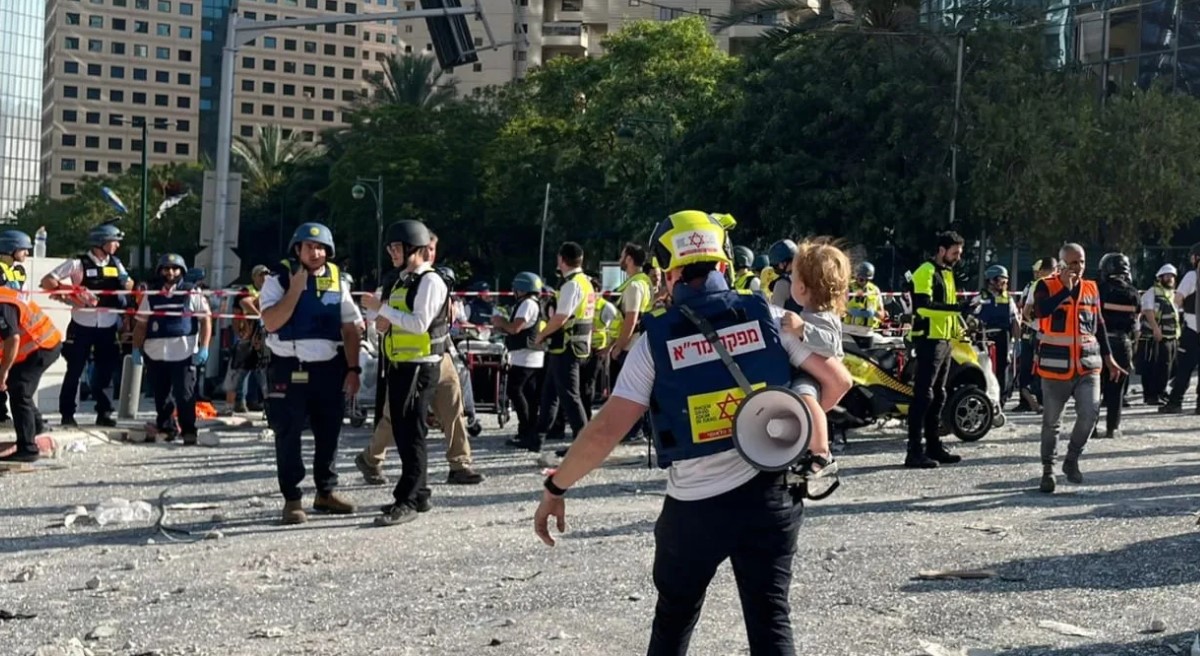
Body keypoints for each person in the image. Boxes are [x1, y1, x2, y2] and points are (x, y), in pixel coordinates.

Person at [533, 211, 851, 655]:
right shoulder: (771, 317)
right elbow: (837, 382)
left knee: (674, 619)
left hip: (694, 509)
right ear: (724, 263)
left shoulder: (653, 342)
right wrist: (790, 426)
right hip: (771, 495)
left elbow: (606, 430)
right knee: (770, 619)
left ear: (668, 271)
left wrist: (557, 487)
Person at [357, 235, 483, 490]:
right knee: (394, 416)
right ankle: (371, 458)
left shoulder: (436, 281)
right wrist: (386, 314)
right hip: (407, 360)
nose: (429, 253)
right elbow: (379, 322)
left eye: (432, 249)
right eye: (426, 248)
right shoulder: (395, 281)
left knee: (453, 408)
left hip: (440, 354)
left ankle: (460, 464)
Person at [259, 222, 361, 524]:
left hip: (328, 368)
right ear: (297, 249)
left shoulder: (337, 279)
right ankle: (292, 499)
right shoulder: (278, 279)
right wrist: (295, 289)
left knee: (329, 432)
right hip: (288, 366)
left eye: (320, 248)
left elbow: (350, 328)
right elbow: (271, 322)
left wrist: (353, 369)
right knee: (288, 434)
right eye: (309, 247)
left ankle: (325, 492)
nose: (315, 253)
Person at [362, 220, 451, 526]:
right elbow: (386, 323)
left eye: (396, 247)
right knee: (404, 432)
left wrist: (382, 309)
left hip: (419, 366)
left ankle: (408, 499)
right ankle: (420, 493)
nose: (392, 253)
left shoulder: (430, 281)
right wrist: (381, 317)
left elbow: (419, 324)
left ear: (414, 247)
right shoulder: (403, 281)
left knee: (411, 434)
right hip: (401, 364)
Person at [1031, 243, 1125, 493]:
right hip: (1055, 367)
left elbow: (1099, 324)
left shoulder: (1092, 287)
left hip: (1087, 364)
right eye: (1073, 262)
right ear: (1061, 264)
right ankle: (1048, 470)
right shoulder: (1045, 286)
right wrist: (1065, 289)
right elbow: (1040, 311)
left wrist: (1109, 358)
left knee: (1090, 414)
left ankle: (1072, 458)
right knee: (1052, 423)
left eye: (1081, 261)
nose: (1078, 267)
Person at [40, 222, 132, 428]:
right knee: (75, 370)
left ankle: (104, 412)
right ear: (101, 242)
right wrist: (71, 293)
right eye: (114, 241)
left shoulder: (116, 263)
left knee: (105, 371)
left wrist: (125, 282)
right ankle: (67, 414)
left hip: (107, 325)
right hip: (82, 325)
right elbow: (47, 281)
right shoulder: (77, 263)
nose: (117, 245)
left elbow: (129, 285)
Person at [131, 254, 212, 445]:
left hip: (184, 353)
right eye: (166, 268)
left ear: (181, 271)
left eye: (175, 269)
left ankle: (189, 431)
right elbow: (141, 325)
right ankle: (167, 429)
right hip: (156, 353)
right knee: (161, 396)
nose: (170, 272)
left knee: (185, 395)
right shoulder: (151, 295)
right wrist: (136, 349)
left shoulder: (192, 293)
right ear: (160, 271)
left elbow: (206, 321)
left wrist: (204, 347)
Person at [906, 231, 970, 469]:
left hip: (944, 340)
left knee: (939, 394)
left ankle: (934, 446)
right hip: (928, 340)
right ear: (941, 250)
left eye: (959, 253)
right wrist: (956, 309)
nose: (958, 257)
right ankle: (914, 451)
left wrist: (960, 329)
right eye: (955, 253)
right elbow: (923, 307)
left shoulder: (947, 273)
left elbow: (948, 308)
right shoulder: (926, 271)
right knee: (923, 395)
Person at [526, 242, 596, 459]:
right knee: (550, 393)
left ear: (561, 259)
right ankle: (537, 437)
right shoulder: (585, 282)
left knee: (569, 396)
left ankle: (583, 442)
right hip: (574, 345)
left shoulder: (572, 285)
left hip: (566, 347)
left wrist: (541, 335)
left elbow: (561, 317)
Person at [0, 287, 63, 464]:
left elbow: (12, 339)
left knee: (20, 389)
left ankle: (27, 448)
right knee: (18, 386)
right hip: (34, 347)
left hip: (42, 345)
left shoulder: (2, 304)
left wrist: (3, 371)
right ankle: (37, 427)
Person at [608, 243, 654, 443]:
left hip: (630, 345)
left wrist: (619, 346)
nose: (620, 259)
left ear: (628, 259)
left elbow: (631, 319)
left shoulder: (634, 285)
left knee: (628, 391)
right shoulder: (644, 282)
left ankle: (633, 431)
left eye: (622, 256)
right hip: (640, 342)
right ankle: (638, 429)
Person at [494, 272, 546, 447]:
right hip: (531, 355)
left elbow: (515, 328)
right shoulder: (533, 303)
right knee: (529, 395)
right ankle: (531, 430)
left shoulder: (527, 304)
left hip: (525, 356)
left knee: (515, 390)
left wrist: (500, 321)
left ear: (521, 288)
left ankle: (526, 430)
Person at [1096, 252, 1139, 438]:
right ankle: (1112, 428)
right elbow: (1136, 321)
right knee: (1117, 388)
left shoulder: (1099, 289)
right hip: (1123, 343)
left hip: (1100, 341)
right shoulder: (1133, 293)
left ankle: (1090, 428)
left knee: (1095, 387)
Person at [1160, 242, 1200, 415]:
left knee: (1184, 368)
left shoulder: (1192, 275)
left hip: (1193, 329)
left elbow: (1177, 299)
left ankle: (1175, 402)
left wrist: (1182, 310)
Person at [225, 264, 270, 414]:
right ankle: (232, 406)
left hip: (263, 338)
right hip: (246, 336)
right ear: (254, 277)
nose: (264, 278)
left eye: (266, 274)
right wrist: (260, 315)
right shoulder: (246, 290)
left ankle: (267, 408)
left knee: (264, 374)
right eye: (260, 275)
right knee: (237, 372)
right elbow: (243, 304)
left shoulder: (271, 291)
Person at [0, 229, 34, 424]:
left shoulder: (19, 271)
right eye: (23, 249)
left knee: (8, 369)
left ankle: (3, 413)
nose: (27, 253)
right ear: (10, 248)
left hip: (11, 323)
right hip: (3, 320)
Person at [1016, 257, 1058, 412]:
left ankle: (1028, 397)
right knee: (1042, 367)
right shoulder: (1059, 285)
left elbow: (1025, 311)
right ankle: (1039, 399)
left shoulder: (1034, 285)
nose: (1036, 274)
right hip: (1049, 334)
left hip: (1034, 332)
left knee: (1029, 367)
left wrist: (1032, 322)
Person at [974, 265, 1020, 405]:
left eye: (1006, 280)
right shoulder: (980, 298)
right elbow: (971, 318)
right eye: (1002, 280)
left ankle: (1001, 400)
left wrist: (1017, 340)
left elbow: (1015, 320)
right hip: (983, 336)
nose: (1005, 283)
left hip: (1003, 336)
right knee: (983, 366)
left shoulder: (1008, 299)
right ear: (991, 280)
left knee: (1003, 367)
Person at [1138, 264, 1179, 405]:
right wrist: (1156, 329)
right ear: (1160, 278)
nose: (1170, 279)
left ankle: (1161, 392)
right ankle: (1152, 395)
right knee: (1154, 367)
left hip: (1171, 337)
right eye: (1167, 276)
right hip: (1154, 337)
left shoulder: (1172, 294)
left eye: (1172, 276)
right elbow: (1148, 310)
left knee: (1168, 367)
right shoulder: (1152, 292)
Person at [845, 261, 886, 342]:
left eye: (867, 280)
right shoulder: (847, 288)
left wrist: (873, 313)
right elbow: (837, 308)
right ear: (856, 276)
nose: (864, 282)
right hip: (848, 329)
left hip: (867, 331)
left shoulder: (875, 290)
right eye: (861, 279)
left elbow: (882, 314)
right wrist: (851, 311)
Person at [765, 239, 802, 312]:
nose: (776, 268)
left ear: (783, 263)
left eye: (776, 265)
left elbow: (776, 314)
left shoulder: (782, 283)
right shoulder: (810, 276)